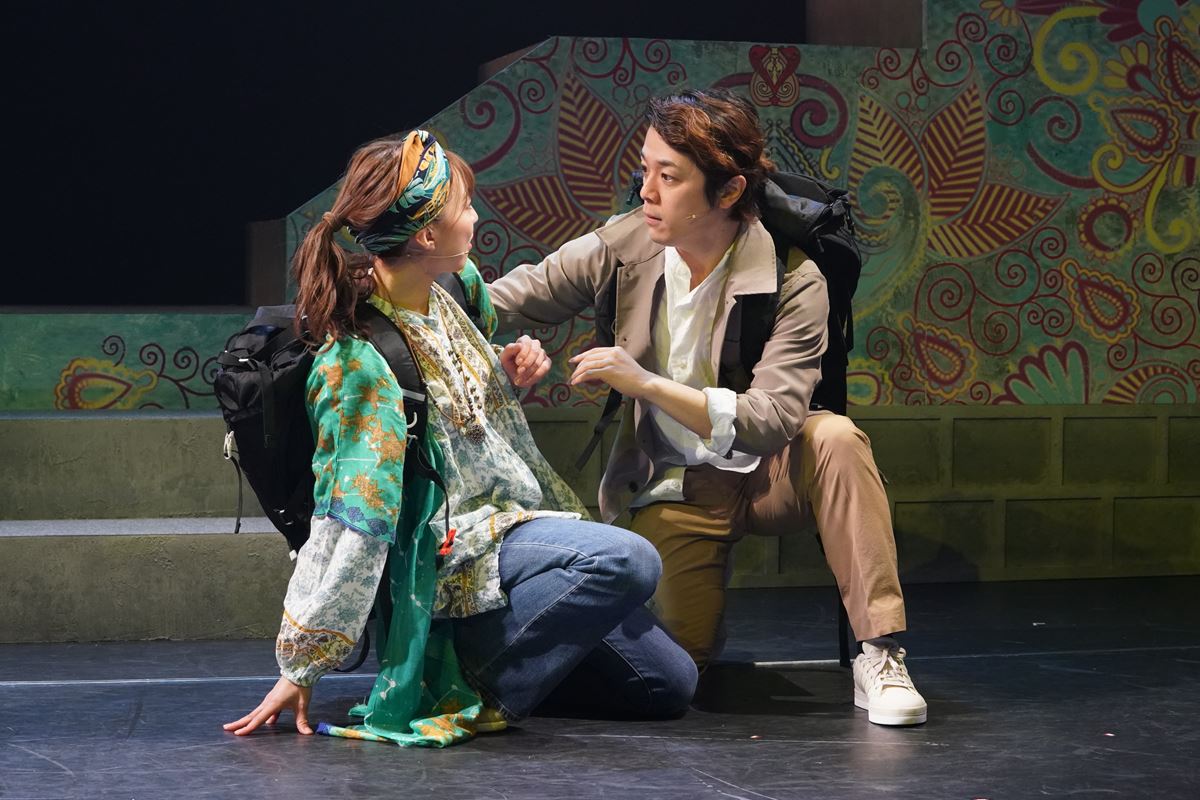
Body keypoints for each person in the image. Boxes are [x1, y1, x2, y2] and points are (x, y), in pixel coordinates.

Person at [223, 130, 697, 747]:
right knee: (627, 559)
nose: (475, 217)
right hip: (446, 559)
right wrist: (301, 664)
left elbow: (446, 389)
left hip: (504, 527)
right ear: (425, 236)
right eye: (465, 206)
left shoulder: (454, 289)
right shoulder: (358, 365)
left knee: (667, 684)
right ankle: (456, 682)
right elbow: (350, 517)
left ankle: (504, 659)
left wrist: (504, 368)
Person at [487, 89, 928, 726]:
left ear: (728, 191)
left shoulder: (794, 278)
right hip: (677, 484)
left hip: (774, 471)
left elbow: (771, 420)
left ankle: (880, 654)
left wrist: (644, 382)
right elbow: (515, 295)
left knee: (836, 438)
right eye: (645, 170)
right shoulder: (625, 248)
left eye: (669, 177)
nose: (647, 191)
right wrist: (398, 289)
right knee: (672, 673)